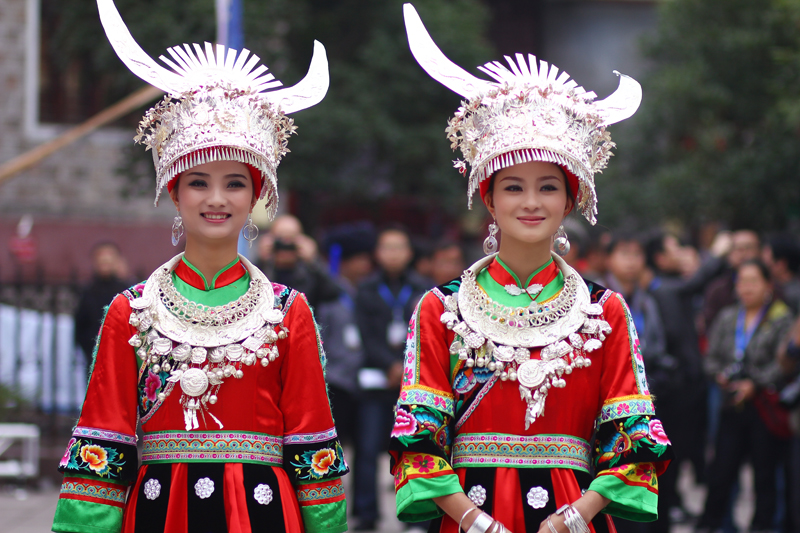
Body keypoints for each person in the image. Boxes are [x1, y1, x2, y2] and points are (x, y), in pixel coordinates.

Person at [52, 3, 347, 532]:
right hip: (159, 514)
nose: (217, 198)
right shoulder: (131, 311)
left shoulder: (288, 312)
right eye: (198, 181)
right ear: (174, 190)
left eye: (235, 182)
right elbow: (104, 440)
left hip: (263, 514)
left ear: (257, 194)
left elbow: (311, 443)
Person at [389, 6, 673, 533]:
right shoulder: (440, 309)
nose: (531, 202)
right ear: (487, 197)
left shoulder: (604, 311)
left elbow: (637, 438)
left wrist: (576, 516)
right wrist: (475, 522)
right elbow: (416, 440)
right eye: (512, 186)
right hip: (469, 519)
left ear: (570, 200)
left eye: (548, 186)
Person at [697, 259, 793, 533]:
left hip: (764, 405)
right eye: (742, 282)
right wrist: (721, 376)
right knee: (722, 470)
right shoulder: (728, 317)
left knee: (764, 474)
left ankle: (763, 526)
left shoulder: (781, 316)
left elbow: (784, 363)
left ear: (768, 285)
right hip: (730, 403)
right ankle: (715, 524)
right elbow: (711, 357)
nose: (746, 288)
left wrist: (755, 383)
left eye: (753, 281)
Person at [352, 225, 431, 530]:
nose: (394, 254)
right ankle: (367, 513)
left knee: (416, 448)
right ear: (378, 253)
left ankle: (420, 514)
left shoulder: (423, 288)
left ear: (409, 253)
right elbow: (364, 334)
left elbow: (426, 333)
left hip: (412, 384)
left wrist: (406, 367)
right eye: (387, 247)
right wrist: (389, 365)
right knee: (368, 449)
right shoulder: (367, 288)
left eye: (399, 247)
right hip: (376, 381)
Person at [316, 223, 377, 447]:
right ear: (343, 261)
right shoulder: (329, 293)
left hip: (361, 379)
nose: (366, 265)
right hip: (334, 380)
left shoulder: (365, 291)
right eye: (359, 259)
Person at [257, 214, 341, 309]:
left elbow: (335, 292)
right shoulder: (263, 270)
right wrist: (261, 261)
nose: (286, 244)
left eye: (292, 239)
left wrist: (314, 261)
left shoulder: (310, 274)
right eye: (280, 239)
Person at [74, 242, 130, 366]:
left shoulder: (127, 292)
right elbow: (81, 326)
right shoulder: (88, 292)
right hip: (95, 357)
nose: (105, 260)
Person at [703, 229, 761, 330]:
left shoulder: (772, 287)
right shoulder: (717, 290)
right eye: (737, 248)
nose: (743, 253)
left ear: (759, 251)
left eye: (748, 247)